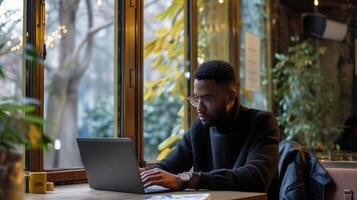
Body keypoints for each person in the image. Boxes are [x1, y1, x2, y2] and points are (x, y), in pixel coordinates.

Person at [140, 60, 280, 192]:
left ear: (230, 98)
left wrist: (186, 180)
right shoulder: (200, 127)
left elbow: (256, 177)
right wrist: (138, 175)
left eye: (207, 98)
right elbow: (168, 166)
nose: (199, 108)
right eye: (196, 99)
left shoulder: (263, 122)